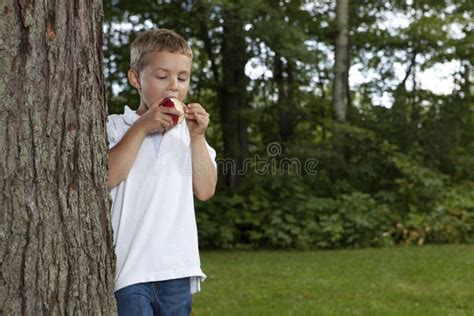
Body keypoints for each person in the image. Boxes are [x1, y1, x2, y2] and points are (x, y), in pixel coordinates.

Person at [106, 28, 217, 316]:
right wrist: (141, 127)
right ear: (135, 78)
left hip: (177, 269)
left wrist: (197, 137)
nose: (173, 87)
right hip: (128, 271)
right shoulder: (116, 126)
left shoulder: (189, 135)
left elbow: (205, 190)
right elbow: (105, 177)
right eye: (162, 76)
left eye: (182, 78)